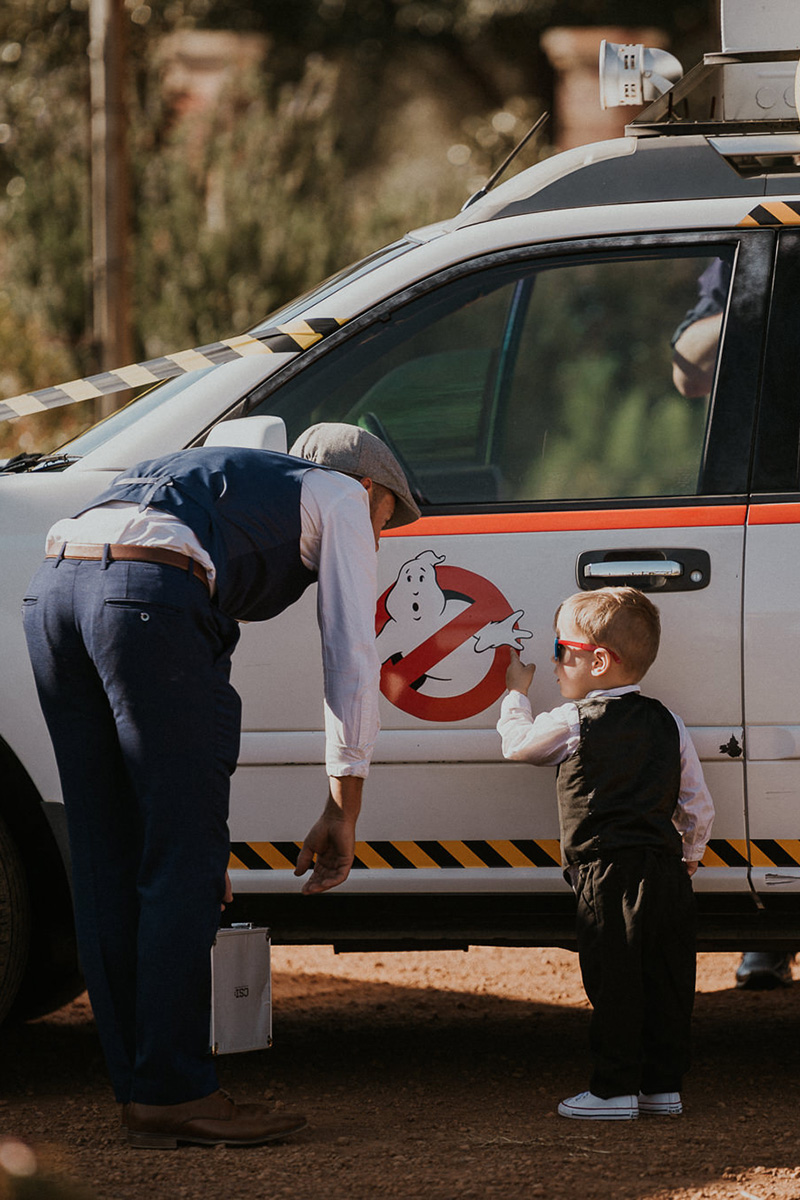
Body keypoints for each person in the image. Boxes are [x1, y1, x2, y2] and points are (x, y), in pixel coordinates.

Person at [22, 422, 420, 1149]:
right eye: (387, 518)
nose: (380, 539)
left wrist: (193, 834)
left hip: (53, 594)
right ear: (367, 488)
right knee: (179, 862)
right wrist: (343, 804)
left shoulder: (221, 475)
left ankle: (143, 1090)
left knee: (106, 853)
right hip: (144, 593)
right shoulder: (336, 497)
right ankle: (175, 1093)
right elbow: (353, 654)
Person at [496, 587, 714, 1121]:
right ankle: (662, 1088)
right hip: (667, 873)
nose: (552, 661)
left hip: (606, 872)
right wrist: (691, 853)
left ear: (597, 661)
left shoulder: (573, 721)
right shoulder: (669, 720)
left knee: (614, 979)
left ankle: (614, 1091)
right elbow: (696, 801)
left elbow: (518, 746)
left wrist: (515, 694)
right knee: (667, 981)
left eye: (558, 648)